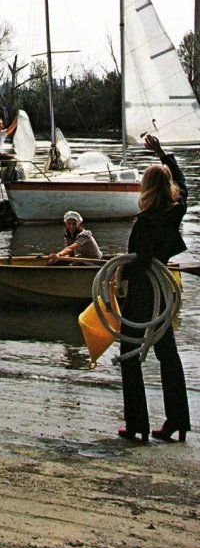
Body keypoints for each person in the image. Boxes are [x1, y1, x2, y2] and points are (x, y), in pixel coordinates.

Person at [117, 134, 191, 443]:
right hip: (165, 289)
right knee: (167, 352)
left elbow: (140, 261)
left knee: (129, 353)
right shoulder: (175, 210)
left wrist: (117, 270)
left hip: (143, 291)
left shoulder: (145, 221)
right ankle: (178, 421)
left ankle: (137, 425)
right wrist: (164, 154)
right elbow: (184, 186)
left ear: (146, 188)